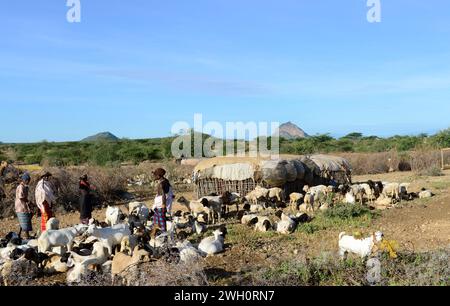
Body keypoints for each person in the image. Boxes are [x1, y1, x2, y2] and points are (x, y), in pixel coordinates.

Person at [152, 168, 174, 232]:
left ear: (158, 176)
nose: (154, 176)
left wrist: (163, 204)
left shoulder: (162, 184)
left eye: (155, 175)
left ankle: (164, 236)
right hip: (159, 205)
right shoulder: (165, 181)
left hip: (160, 206)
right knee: (157, 222)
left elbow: (164, 194)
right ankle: (160, 235)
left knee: (161, 222)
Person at [15, 173, 32, 239]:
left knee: (25, 220)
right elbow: (21, 197)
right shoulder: (21, 187)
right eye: (27, 180)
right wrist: (27, 201)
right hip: (20, 206)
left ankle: (22, 235)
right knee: (24, 220)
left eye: (28, 180)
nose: (28, 182)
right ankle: (26, 235)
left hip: (23, 206)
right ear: (24, 180)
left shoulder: (24, 186)